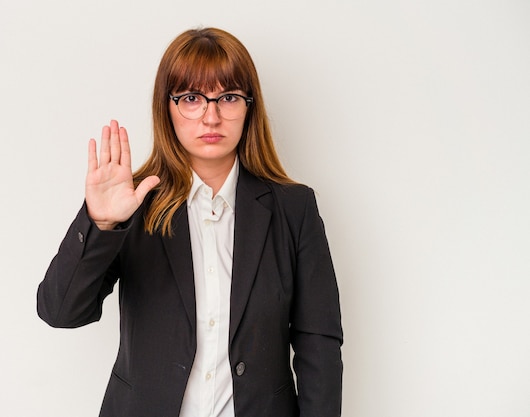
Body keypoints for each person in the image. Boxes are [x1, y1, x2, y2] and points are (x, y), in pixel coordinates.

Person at [37, 27, 343, 417]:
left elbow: (319, 344)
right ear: (167, 106)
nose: (210, 116)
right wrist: (101, 224)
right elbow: (60, 312)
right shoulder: (135, 203)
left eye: (228, 97)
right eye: (192, 98)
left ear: (249, 106)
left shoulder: (294, 208)